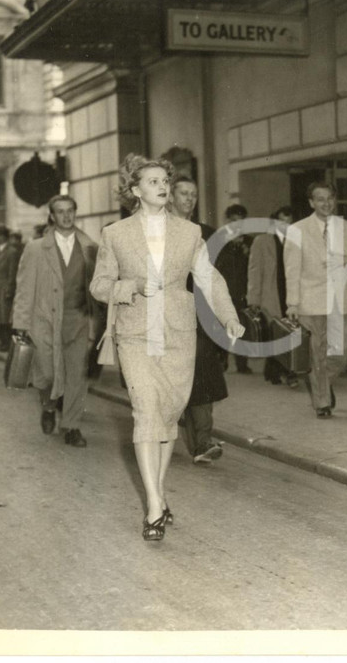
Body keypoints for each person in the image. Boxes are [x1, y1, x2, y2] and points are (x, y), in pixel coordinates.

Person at [90, 155, 243, 541]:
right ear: (135, 190)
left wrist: (228, 317)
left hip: (177, 333)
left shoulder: (189, 232)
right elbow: (99, 285)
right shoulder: (115, 233)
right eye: (153, 181)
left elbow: (209, 278)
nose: (162, 186)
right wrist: (130, 287)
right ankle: (154, 505)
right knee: (146, 412)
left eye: (164, 181)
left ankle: (158, 492)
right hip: (135, 332)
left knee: (169, 414)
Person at [11, 195, 98, 447]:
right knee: (47, 374)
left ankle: (71, 426)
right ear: (52, 216)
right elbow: (24, 289)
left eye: (70, 210)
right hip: (44, 321)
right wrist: (21, 324)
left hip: (77, 320)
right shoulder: (36, 249)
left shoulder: (90, 247)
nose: (66, 216)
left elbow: (97, 287)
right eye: (60, 211)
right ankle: (48, 406)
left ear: (75, 213)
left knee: (76, 375)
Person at [284, 182, 347, 417]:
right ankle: (322, 402)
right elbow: (292, 269)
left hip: (340, 301)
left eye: (330, 198)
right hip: (309, 302)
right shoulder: (297, 230)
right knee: (317, 353)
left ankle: (322, 382)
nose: (326, 203)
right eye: (320, 199)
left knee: (342, 353)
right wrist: (292, 303)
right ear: (311, 202)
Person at [170, 176, 228, 465]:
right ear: (171, 196)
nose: (189, 199)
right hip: (168, 317)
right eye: (184, 193)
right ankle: (176, 433)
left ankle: (203, 441)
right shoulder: (158, 232)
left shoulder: (208, 234)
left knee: (202, 376)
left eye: (193, 194)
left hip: (201, 319)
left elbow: (219, 279)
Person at [247, 205, 299, 388]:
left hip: (291, 294)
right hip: (271, 294)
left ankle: (285, 370)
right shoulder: (261, 241)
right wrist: (253, 298)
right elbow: (254, 271)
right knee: (275, 333)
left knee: (291, 332)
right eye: (281, 221)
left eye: (289, 222)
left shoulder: (297, 242)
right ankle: (281, 370)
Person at [215, 203, 253, 375]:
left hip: (243, 291)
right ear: (227, 221)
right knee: (222, 325)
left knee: (242, 326)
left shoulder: (250, 242)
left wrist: (245, 252)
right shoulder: (219, 240)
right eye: (233, 220)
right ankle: (222, 360)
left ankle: (242, 363)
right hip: (224, 290)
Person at [0, 224, 21, 350]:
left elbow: (12, 273)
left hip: (4, 288)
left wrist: (9, 290)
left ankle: (6, 343)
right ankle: (1, 341)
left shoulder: (12, 252)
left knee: (5, 316)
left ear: (3, 236)